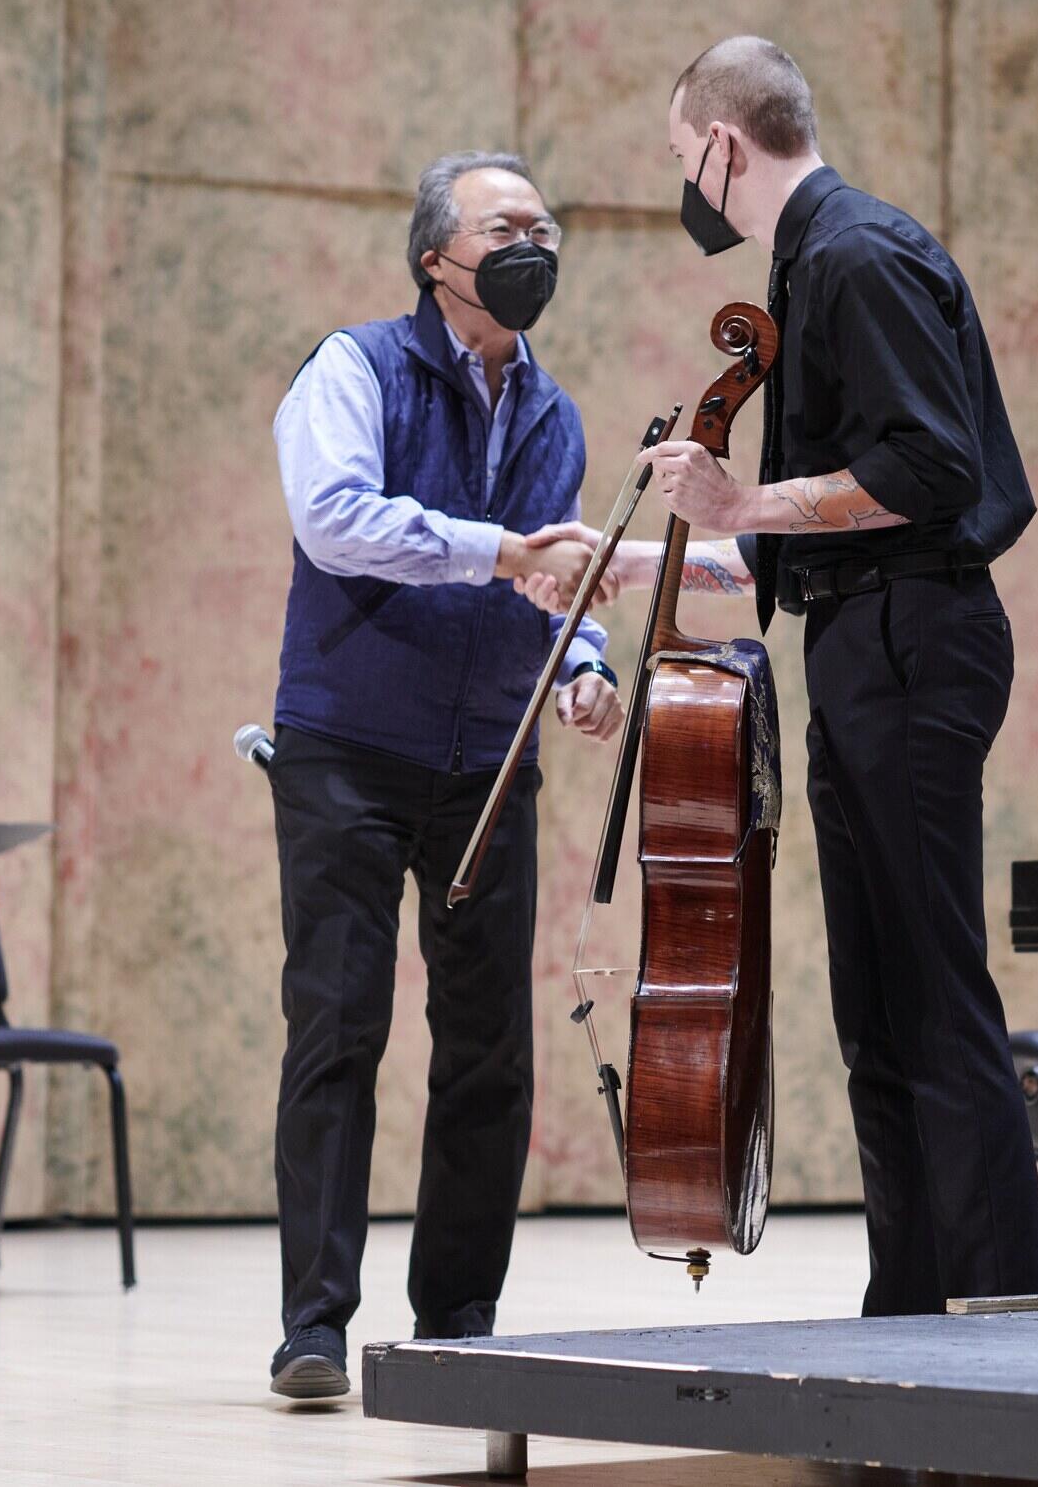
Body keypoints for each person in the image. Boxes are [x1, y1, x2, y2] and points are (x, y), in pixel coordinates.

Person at [530, 36, 1038, 1315]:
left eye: (679, 158)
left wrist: (746, 498)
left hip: (914, 643)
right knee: (875, 1003)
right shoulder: (810, 264)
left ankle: (1007, 1307)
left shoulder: (856, 255)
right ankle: (914, 1302)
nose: (682, 185)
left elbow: (928, 473)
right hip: (863, 639)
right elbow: (799, 550)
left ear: (724, 143)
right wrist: (624, 566)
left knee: (932, 989)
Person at [263, 150, 622, 1401]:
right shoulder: (352, 367)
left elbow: (555, 577)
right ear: (437, 256)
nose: (534, 242)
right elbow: (336, 517)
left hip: (488, 757)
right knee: (339, 1029)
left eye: (545, 225)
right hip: (347, 752)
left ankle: (460, 1318)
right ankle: (314, 1323)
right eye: (505, 225)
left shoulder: (554, 411)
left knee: (487, 1048)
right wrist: (500, 549)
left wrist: (582, 657)